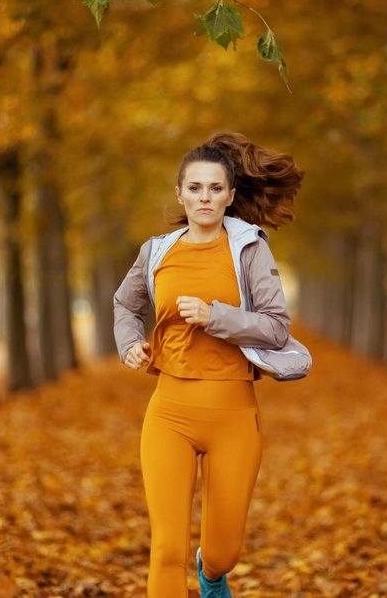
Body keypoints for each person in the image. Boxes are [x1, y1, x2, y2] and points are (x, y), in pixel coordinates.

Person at [113, 132, 303, 597]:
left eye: (215, 188)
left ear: (231, 196)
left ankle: (212, 575)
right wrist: (130, 344)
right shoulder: (157, 251)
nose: (205, 197)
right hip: (169, 413)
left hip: (234, 414)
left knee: (223, 552)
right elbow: (124, 304)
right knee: (166, 551)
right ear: (179, 193)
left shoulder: (249, 249)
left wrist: (216, 317)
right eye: (195, 188)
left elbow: (277, 326)